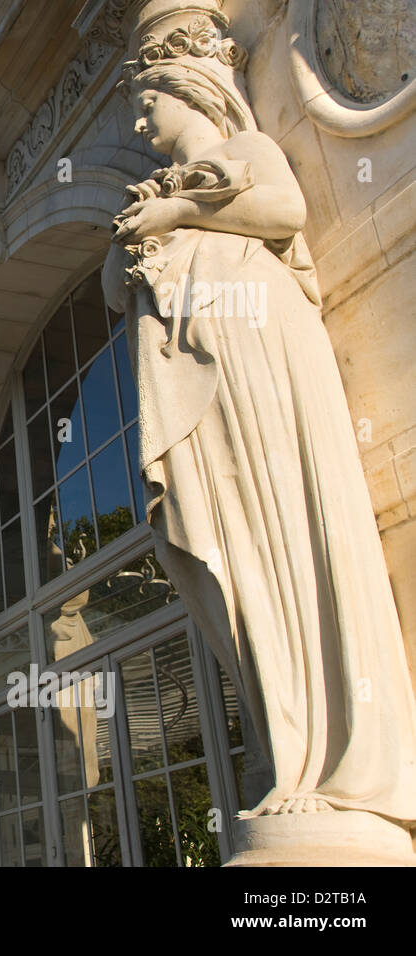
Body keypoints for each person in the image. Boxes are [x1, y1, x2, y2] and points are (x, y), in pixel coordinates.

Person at [101, 21, 416, 822]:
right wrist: (147, 224)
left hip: (255, 358)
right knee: (227, 550)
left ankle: (338, 756)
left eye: (147, 104)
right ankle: (288, 744)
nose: (140, 125)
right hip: (198, 382)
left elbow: (285, 208)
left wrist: (178, 212)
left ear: (191, 91)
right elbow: (110, 285)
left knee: (286, 531)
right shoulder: (157, 189)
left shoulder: (243, 156)